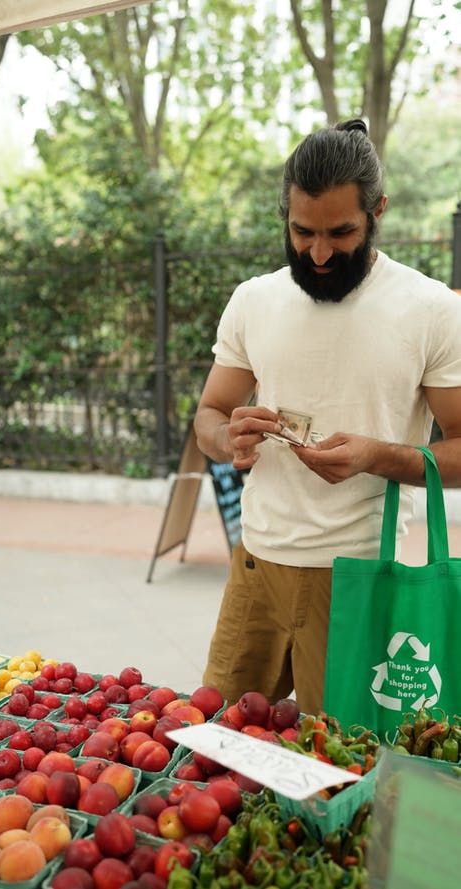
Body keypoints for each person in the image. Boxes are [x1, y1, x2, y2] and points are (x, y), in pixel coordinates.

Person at [193, 118, 461, 715]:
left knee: (338, 772)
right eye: (301, 231)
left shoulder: (432, 309)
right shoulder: (253, 300)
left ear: (378, 211)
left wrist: (378, 456)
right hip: (255, 567)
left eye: (340, 233)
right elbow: (209, 415)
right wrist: (226, 437)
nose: (317, 253)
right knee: (219, 743)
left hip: (358, 578)